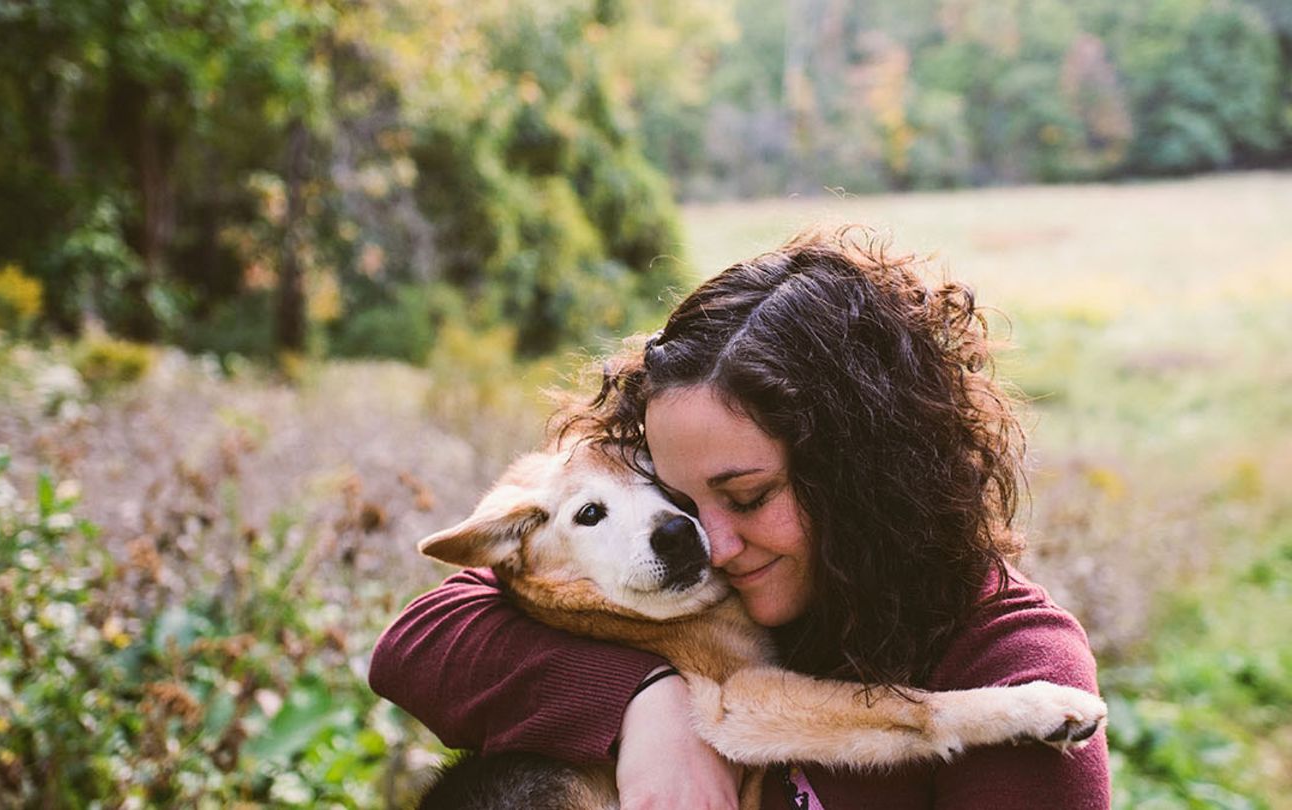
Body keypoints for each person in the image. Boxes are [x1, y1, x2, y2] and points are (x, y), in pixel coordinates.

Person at [369, 227, 1111, 809]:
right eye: (681, 503)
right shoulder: (683, 592)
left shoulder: (1018, 668)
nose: (712, 547)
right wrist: (647, 706)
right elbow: (415, 641)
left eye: (750, 497)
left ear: (863, 475)